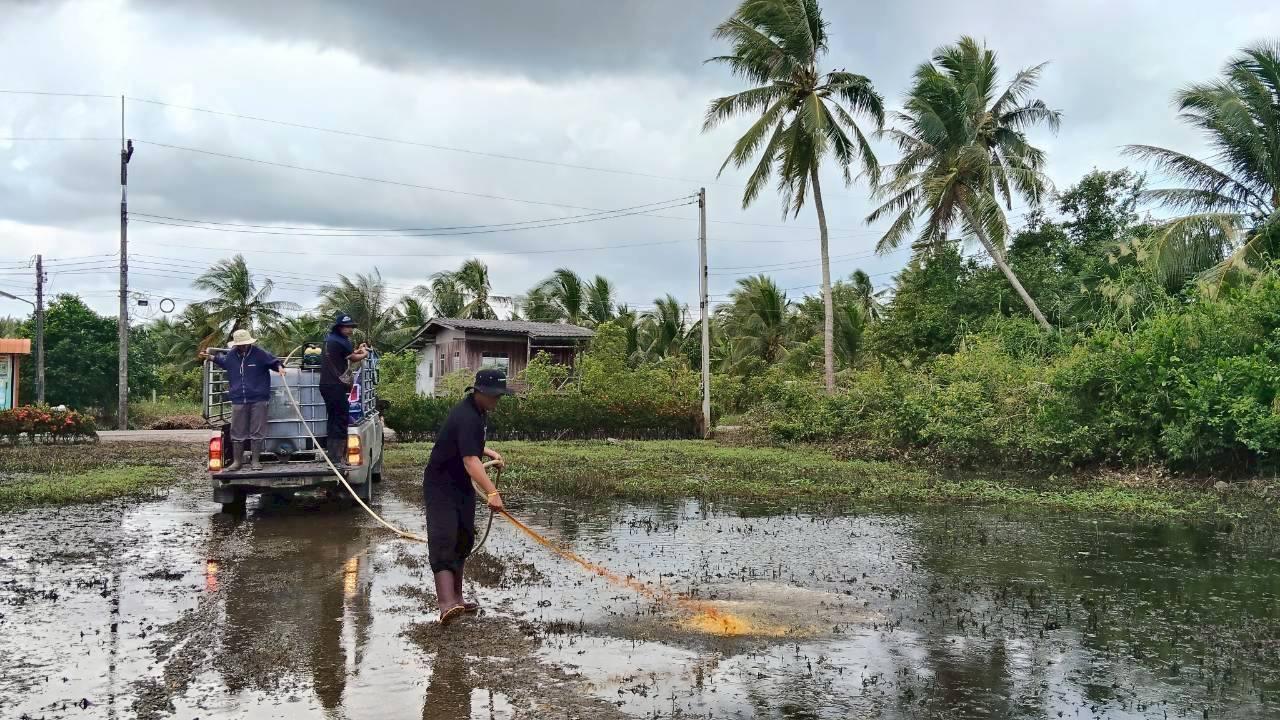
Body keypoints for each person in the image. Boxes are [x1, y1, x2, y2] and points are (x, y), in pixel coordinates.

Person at [423, 368, 511, 625]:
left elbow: (469, 444)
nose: (497, 400)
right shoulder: (466, 416)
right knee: (444, 538)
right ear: (479, 392)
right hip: (441, 485)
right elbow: (470, 459)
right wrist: (492, 492)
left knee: (464, 536)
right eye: (493, 396)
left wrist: (489, 452)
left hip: (460, 484)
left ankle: (459, 599)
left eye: (499, 396)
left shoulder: (479, 413)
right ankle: (445, 604)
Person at [200, 329, 285, 471]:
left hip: (258, 398)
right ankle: (237, 461)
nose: (242, 346)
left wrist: (280, 368)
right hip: (238, 399)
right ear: (236, 344)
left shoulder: (259, 353)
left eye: (244, 344)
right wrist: (210, 357)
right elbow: (223, 361)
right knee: (237, 431)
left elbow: (274, 361)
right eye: (240, 344)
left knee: (257, 430)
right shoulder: (232, 355)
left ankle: (255, 461)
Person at [319, 313, 369, 468]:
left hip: (326, 385)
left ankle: (333, 456)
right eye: (348, 327)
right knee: (340, 419)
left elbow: (346, 354)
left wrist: (357, 351)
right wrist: (365, 353)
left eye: (351, 327)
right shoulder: (342, 341)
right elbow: (353, 358)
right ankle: (336, 459)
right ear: (340, 327)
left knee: (333, 418)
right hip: (335, 385)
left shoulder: (331, 339)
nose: (350, 330)